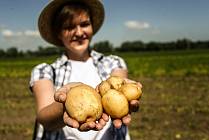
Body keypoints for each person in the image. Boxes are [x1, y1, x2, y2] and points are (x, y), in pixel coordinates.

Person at [30, 0, 142, 139]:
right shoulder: (45, 71)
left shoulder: (113, 62)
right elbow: (44, 119)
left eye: (84, 24)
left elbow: (119, 86)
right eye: (69, 27)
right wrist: (67, 104)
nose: (79, 32)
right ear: (59, 33)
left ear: (92, 27)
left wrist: (123, 90)